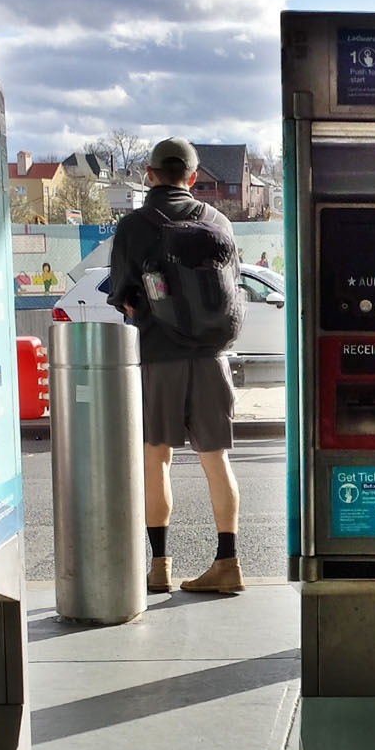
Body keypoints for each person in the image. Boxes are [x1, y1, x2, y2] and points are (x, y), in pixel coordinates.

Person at [107, 137, 244, 594]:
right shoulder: (219, 221)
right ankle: (228, 564)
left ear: (149, 174)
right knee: (216, 462)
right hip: (212, 358)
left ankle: (160, 565)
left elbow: (123, 297)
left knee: (156, 460)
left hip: (159, 357)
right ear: (192, 176)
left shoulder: (133, 226)